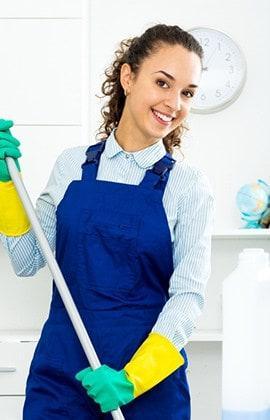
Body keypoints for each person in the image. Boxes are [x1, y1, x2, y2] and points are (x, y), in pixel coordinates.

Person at [0, 23, 214, 419]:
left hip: (147, 389)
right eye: (163, 83)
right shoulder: (72, 166)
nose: (175, 102)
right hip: (63, 379)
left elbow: (188, 298)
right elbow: (28, 259)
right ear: (128, 77)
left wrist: (132, 380)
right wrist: (6, 186)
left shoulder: (188, 185)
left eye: (187, 92)